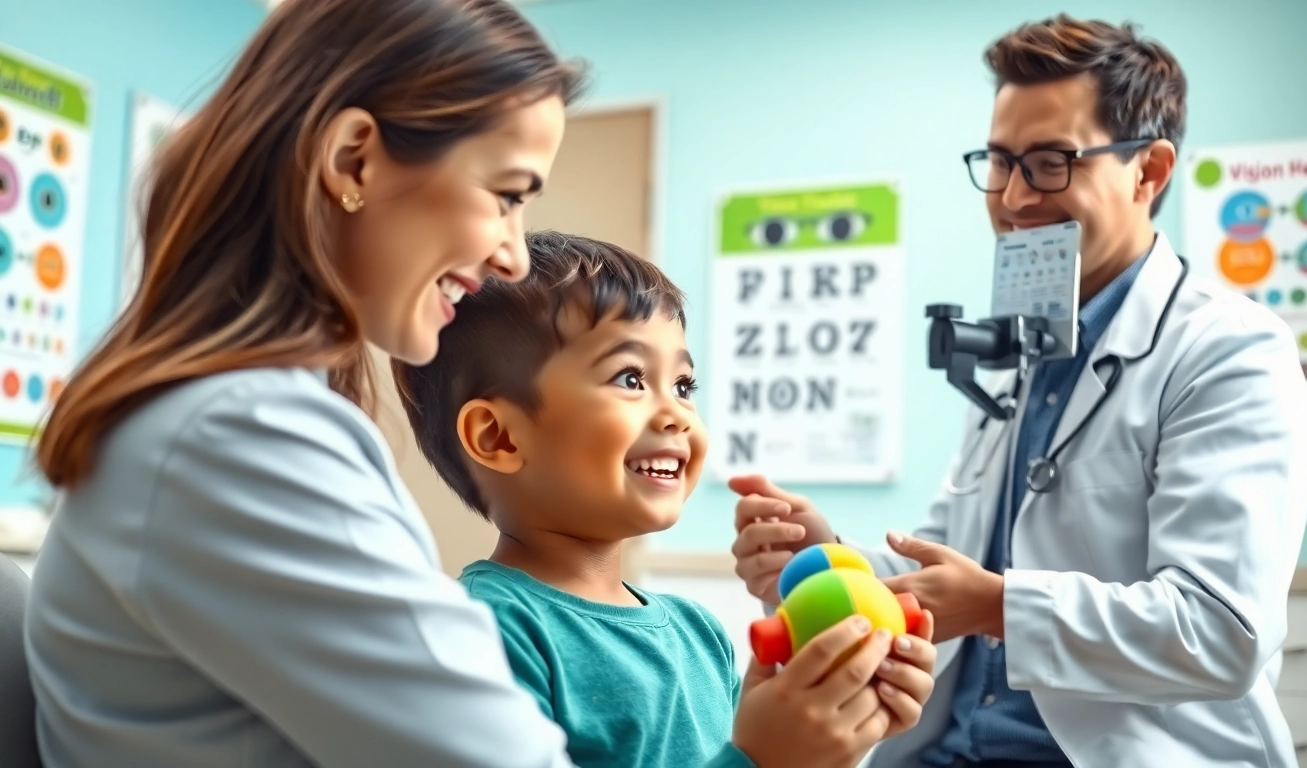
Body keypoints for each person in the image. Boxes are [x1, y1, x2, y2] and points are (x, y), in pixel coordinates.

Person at [22, 2, 929, 767]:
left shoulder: (232, 420)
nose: (512, 250)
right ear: (354, 163)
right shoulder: (240, 438)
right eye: (505, 193)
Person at [729, 14, 1307, 768]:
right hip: (946, 751)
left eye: (1048, 163)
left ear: (1148, 171)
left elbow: (1220, 634)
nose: (1012, 198)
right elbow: (950, 567)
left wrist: (999, 607)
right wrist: (831, 559)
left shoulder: (1230, 353)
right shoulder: (1028, 355)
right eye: (1000, 162)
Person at [392, 230, 938, 768]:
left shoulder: (699, 632)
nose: (676, 413)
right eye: (629, 378)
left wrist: (833, 738)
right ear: (500, 437)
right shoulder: (484, 630)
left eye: (682, 385)